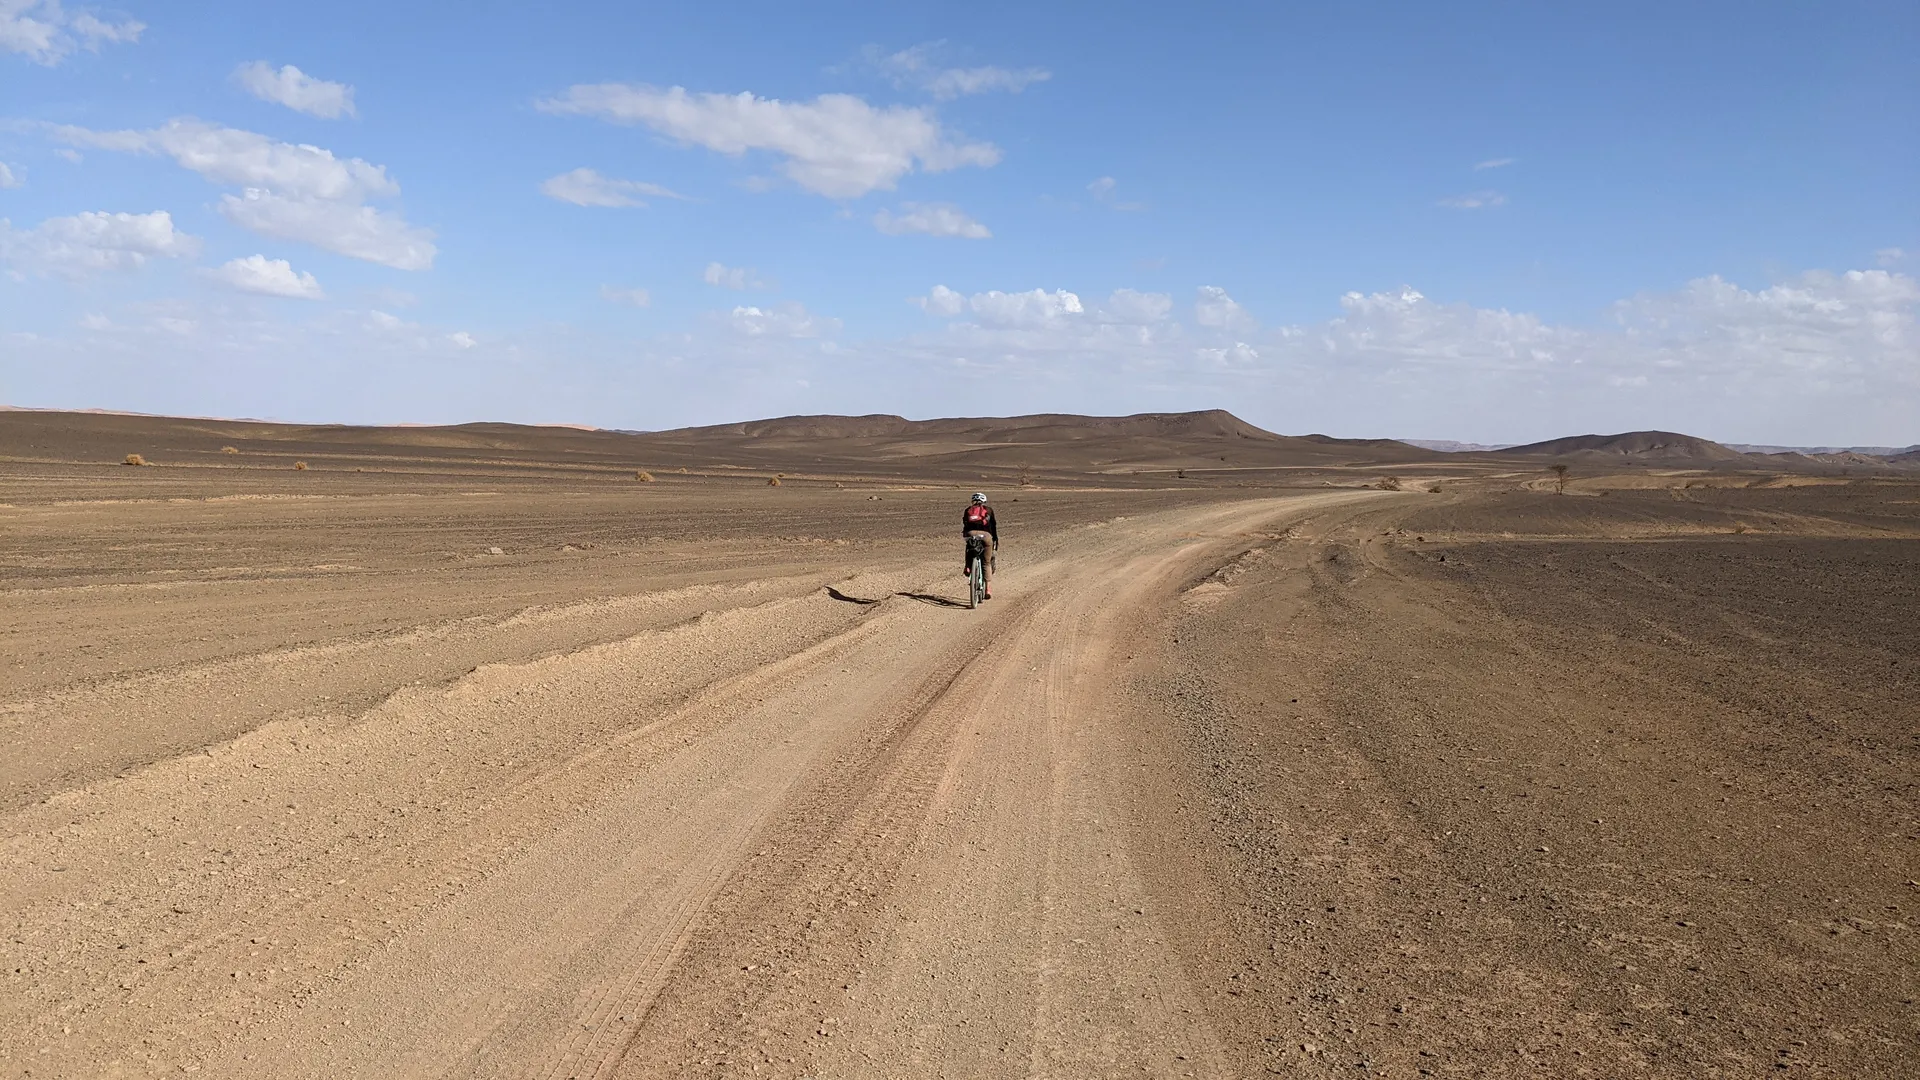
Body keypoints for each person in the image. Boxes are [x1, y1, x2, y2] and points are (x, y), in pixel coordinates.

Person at [961, 491, 998, 600]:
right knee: (986, 562)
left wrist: (966, 535)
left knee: (969, 548)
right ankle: (988, 589)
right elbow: (993, 526)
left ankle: (968, 567)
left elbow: (965, 524)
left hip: (970, 534)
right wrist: (995, 539)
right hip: (986, 536)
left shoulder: (968, 510)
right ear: (984, 501)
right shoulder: (989, 510)